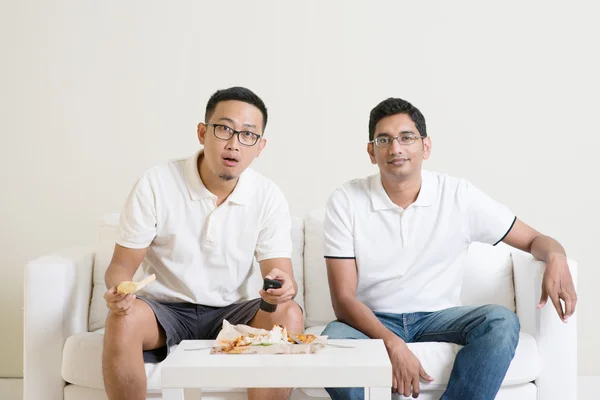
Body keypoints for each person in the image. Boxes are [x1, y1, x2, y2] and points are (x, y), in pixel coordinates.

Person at [322, 97, 577, 400]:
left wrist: (556, 257)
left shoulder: (458, 195)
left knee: (500, 320)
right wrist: (392, 343)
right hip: (373, 319)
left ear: (426, 146)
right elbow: (343, 300)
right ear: (371, 151)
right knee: (332, 341)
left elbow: (535, 240)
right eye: (384, 140)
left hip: (438, 318)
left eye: (407, 138)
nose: (396, 149)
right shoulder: (346, 199)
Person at [101, 86, 303, 400]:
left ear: (260, 146)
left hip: (234, 313)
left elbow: (280, 274)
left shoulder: (268, 195)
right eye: (224, 129)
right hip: (164, 312)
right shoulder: (157, 183)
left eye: (247, 135)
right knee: (122, 319)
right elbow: (121, 268)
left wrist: (283, 285)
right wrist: (119, 292)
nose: (234, 144)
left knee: (289, 313)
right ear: (202, 132)